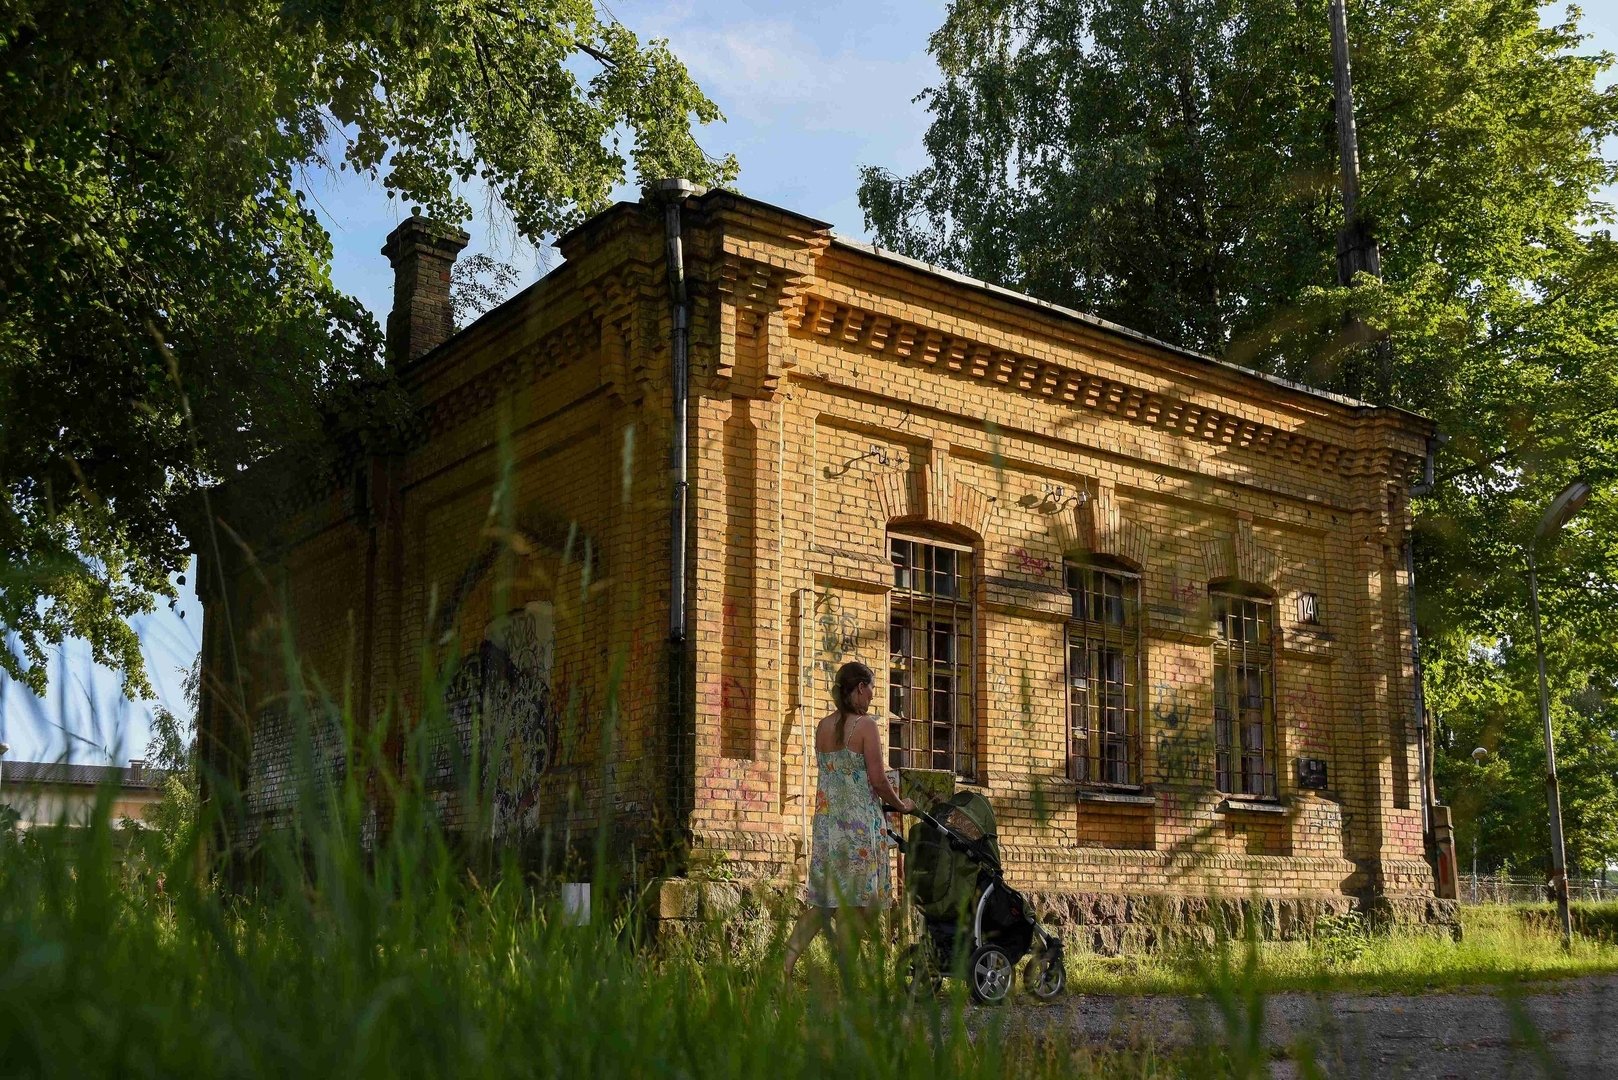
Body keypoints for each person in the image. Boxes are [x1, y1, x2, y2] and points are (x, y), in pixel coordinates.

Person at [783, 660, 915, 978]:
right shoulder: (865, 726)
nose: (873, 696)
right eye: (871, 689)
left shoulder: (822, 727)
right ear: (859, 688)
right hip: (857, 829)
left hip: (828, 827)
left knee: (823, 904)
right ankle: (847, 980)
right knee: (857, 904)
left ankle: (782, 968)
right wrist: (902, 805)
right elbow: (878, 780)